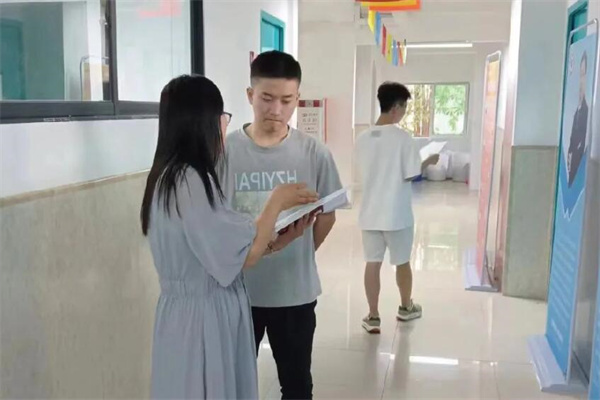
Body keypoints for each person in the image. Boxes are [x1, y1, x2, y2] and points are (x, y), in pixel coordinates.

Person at [140, 75, 318, 399]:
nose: (225, 124)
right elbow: (240, 255)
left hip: (188, 313)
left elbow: (220, 248)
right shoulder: (189, 180)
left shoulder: (171, 176)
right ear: (203, 122)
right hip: (203, 317)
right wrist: (277, 201)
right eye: (222, 116)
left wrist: (278, 240)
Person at [219, 51, 342, 399]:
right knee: (233, 383)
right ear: (250, 95)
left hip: (294, 292)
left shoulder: (314, 153)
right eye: (267, 98)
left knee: (297, 383)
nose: (276, 109)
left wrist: (300, 250)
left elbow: (328, 214)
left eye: (286, 101)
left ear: (297, 99)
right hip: (238, 293)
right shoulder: (225, 151)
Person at [355, 82, 439, 334]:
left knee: (372, 263)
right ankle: (405, 307)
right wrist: (428, 161)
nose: (403, 113)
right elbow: (411, 174)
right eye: (404, 108)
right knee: (402, 262)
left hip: (370, 213)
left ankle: (373, 316)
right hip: (397, 215)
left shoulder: (362, 138)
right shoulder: (403, 139)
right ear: (396, 107)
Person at [568, 51, 589, 187]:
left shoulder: (585, 112)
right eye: (580, 75)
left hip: (577, 174)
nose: (581, 82)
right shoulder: (576, 112)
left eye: (583, 75)